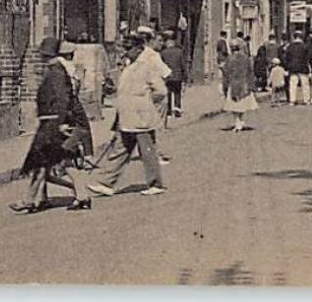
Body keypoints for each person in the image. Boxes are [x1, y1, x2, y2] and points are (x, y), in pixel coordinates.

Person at [12, 37, 93, 213]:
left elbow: (62, 100)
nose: (42, 59)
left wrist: (60, 123)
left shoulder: (55, 72)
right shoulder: (60, 70)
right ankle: (74, 195)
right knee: (55, 163)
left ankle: (32, 200)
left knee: (44, 162)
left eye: (43, 55)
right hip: (53, 121)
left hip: (54, 123)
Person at [88, 32, 169, 196]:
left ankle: (155, 183)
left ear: (139, 48)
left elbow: (161, 91)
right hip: (126, 116)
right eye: (125, 48)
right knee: (120, 149)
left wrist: (143, 102)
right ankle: (106, 183)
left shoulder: (146, 66)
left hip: (141, 117)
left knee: (147, 151)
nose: (126, 51)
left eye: (129, 48)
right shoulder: (127, 66)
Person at [222, 37, 258, 132]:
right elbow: (250, 71)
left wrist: (224, 86)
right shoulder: (245, 58)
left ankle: (237, 121)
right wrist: (252, 85)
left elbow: (226, 73)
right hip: (244, 83)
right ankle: (240, 120)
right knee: (242, 104)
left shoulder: (229, 59)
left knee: (234, 105)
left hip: (233, 83)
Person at [160, 31, 188, 117]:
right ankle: (177, 109)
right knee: (177, 93)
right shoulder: (179, 52)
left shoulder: (163, 53)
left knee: (168, 93)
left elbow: (161, 65)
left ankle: (168, 110)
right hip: (177, 76)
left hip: (167, 76)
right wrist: (185, 75)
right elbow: (183, 64)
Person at [284, 32, 312, 105]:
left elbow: (287, 58)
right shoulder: (305, 46)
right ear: (301, 37)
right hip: (303, 67)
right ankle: (306, 100)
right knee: (305, 85)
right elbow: (308, 59)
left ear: (294, 37)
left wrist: (287, 68)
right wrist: (310, 70)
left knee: (293, 85)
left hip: (292, 68)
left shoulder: (290, 47)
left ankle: (292, 100)